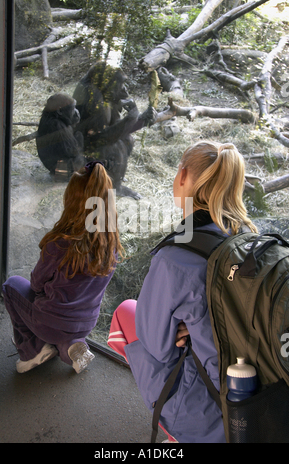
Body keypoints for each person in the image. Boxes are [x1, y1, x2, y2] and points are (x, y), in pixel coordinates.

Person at [107, 141, 257, 443]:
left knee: (124, 313)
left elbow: (158, 346)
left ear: (184, 177)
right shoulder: (252, 239)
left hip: (213, 412)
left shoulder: (175, 259)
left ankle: (179, 430)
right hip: (259, 398)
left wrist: (182, 329)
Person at [3, 161, 122, 374]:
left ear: (72, 202)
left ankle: (32, 351)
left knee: (11, 286)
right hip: (86, 323)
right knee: (62, 328)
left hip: (50, 322)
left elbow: (37, 284)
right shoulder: (110, 246)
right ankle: (71, 347)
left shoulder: (59, 244)